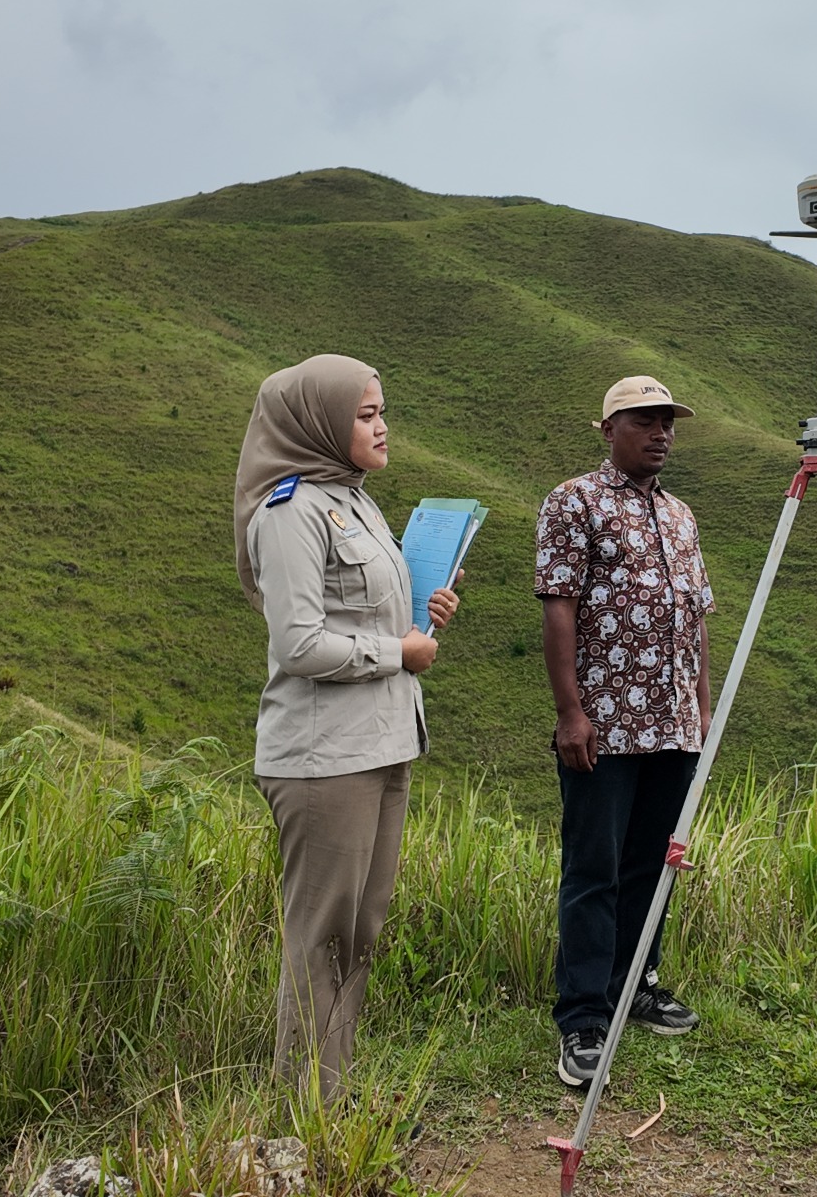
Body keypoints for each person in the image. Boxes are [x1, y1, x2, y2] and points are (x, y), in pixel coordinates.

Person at [235, 353, 460, 1096]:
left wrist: (422, 616)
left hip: (382, 742)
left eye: (381, 411)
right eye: (365, 415)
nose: (382, 427)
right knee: (320, 941)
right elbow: (297, 644)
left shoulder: (355, 502)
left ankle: (329, 1101)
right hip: (323, 758)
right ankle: (303, 1117)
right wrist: (397, 648)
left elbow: (360, 615)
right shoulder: (289, 512)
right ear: (320, 422)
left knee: (358, 935)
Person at [535, 375, 715, 1088]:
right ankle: (581, 1019)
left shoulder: (681, 516)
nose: (661, 433)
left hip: (671, 722)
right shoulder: (573, 501)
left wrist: (702, 709)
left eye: (668, 422)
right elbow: (558, 609)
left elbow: (695, 618)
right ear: (608, 428)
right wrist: (571, 712)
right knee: (592, 871)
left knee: (651, 864)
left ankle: (634, 984)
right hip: (604, 726)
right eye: (645, 421)